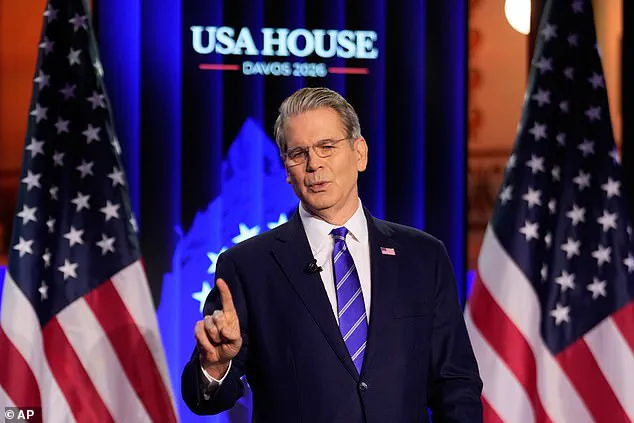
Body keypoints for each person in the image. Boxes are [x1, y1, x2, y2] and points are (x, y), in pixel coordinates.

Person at [181, 87, 483, 422]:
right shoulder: (247, 266)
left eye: (327, 147)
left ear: (360, 153)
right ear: (287, 170)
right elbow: (203, 399)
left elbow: (455, 384)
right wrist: (215, 366)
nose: (314, 164)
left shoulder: (423, 256)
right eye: (299, 153)